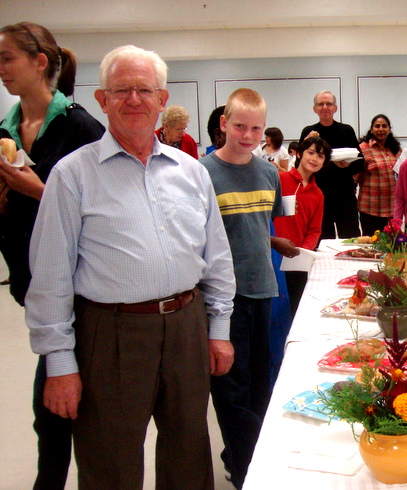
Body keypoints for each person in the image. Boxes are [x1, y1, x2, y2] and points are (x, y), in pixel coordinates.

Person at [24, 44, 236, 489]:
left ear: (162, 98)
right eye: (121, 90)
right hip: (110, 333)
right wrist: (59, 363)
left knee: (188, 454)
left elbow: (216, 258)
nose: (134, 99)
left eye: (144, 89)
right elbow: (50, 277)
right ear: (102, 100)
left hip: (187, 326)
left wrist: (219, 330)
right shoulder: (72, 175)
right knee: (110, 462)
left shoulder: (192, 172)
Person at [0, 21, 104, 489]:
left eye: (8, 58)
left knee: (68, 410)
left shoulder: (80, 127)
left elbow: (105, 212)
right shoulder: (5, 130)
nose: (1, 69)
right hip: (34, 286)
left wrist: (37, 189)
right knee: (53, 409)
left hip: (82, 292)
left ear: (40, 62)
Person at [199, 88, 300, 488]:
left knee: (260, 385)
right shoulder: (202, 173)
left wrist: (275, 243)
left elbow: (256, 226)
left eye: (256, 129)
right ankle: (246, 473)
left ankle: (246, 457)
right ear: (224, 124)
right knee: (231, 389)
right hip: (224, 299)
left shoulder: (268, 173)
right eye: (240, 126)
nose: (247, 135)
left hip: (264, 291)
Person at [274, 136, 330, 317]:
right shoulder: (279, 179)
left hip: (296, 259)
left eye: (320, 156)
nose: (314, 159)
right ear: (299, 154)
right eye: (310, 153)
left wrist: (302, 252)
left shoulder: (318, 194)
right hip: (273, 255)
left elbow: (315, 230)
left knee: (295, 307)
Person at [299, 90, 363, 239]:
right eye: (320, 104)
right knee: (321, 239)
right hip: (318, 195)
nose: (325, 107)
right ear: (315, 109)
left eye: (329, 104)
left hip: (344, 195)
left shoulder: (346, 130)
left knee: (351, 238)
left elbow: (360, 163)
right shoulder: (309, 132)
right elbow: (299, 164)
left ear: (335, 108)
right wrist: (306, 144)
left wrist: (347, 166)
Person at [358, 114, 401, 234]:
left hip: (392, 208)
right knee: (372, 243)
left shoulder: (396, 149)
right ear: (371, 130)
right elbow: (355, 176)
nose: (381, 129)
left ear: (389, 129)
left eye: (384, 126)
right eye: (377, 126)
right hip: (370, 209)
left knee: (391, 242)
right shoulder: (363, 148)